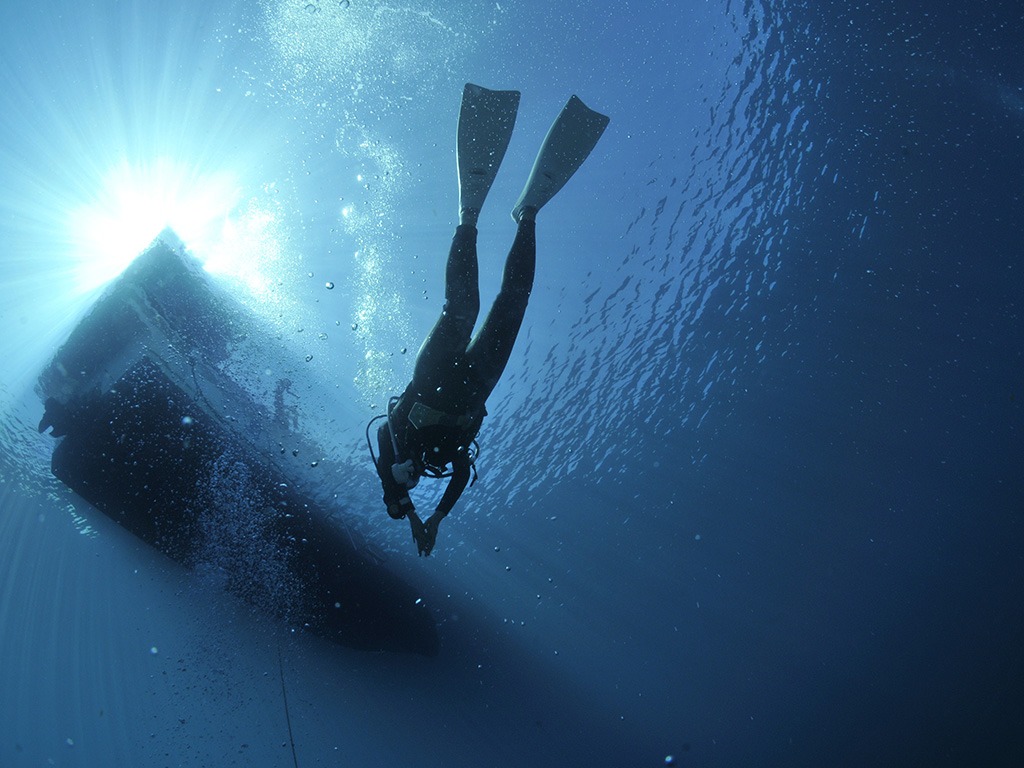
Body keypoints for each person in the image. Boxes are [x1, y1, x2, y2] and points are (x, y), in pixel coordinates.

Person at [372, 83, 609, 556]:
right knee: (513, 304)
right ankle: (528, 215)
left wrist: (392, 476)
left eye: (410, 479)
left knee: (463, 310)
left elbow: (383, 444)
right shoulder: (442, 463)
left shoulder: (395, 446)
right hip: (477, 386)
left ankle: (469, 216)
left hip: (433, 375)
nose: (416, 475)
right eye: (416, 480)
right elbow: (458, 478)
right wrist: (433, 517)